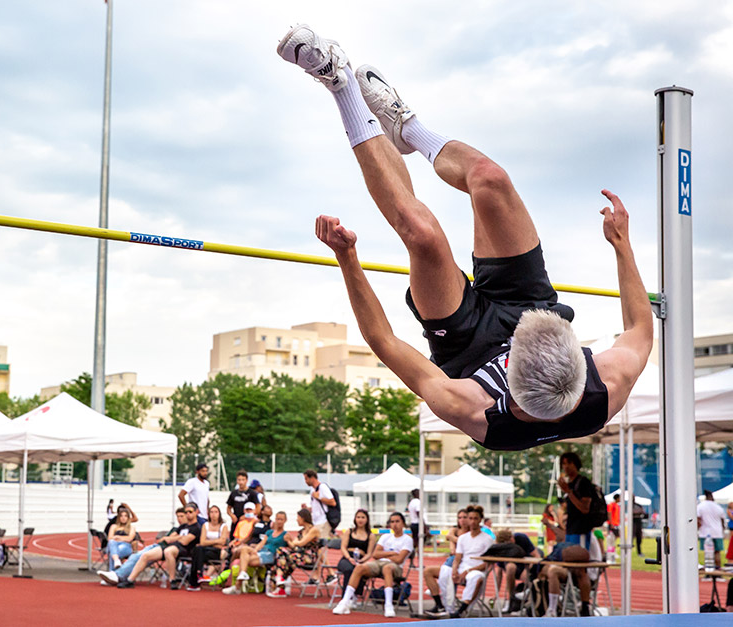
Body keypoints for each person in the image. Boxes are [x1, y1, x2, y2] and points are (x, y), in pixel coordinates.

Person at [278, 24, 653, 454]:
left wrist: (348, 258)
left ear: (510, 379)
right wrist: (622, 245)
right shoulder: (611, 383)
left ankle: (337, 81)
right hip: (526, 300)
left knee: (423, 236)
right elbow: (640, 327)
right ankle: (409, 131)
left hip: (464, 344)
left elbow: (383, 340)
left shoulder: (470, 408)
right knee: (490, 180)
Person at [333, 511, 412, 617]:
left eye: (397, 521)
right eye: (392, 522)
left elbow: (399, 559)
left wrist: (384, 554)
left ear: (403, 523)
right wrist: (392, 553)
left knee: (387, 568)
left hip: (395, 567)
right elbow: (375, 554)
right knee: (360, 567)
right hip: (378, 563)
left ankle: (388, 605)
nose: (395, 524)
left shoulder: (407, 539)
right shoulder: (385, 537)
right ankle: (345, 601)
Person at [108, 508, 199, 589]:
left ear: (196, 512)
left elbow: (184, 542)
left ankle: (172, 580)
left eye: (189, 512)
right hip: (168, 546)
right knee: (145, 555)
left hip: (182, 549)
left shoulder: (196, 527)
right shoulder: (182, 527)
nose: (186, 515)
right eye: (185, 513)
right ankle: (129, 580)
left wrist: (174, 538)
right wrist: (178, 537)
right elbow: (167, 539)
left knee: (168, 551)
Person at [439, 505, 494, 618]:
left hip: (477, 569)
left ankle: (463, 609)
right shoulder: (463, 538)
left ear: (480, 520)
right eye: (470, 518)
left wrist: (468, 571)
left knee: (475, 578)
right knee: (445, 572)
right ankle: (448, 607)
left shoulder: (487, 539)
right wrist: (454, 570)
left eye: (475, 519)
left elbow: (487, 564)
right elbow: (458, 558)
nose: (472, 521)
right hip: (463, 567)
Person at [224, 509, 288, 595]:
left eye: (281, 519)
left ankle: (237, 586)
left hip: (270, 555)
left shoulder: (286, 534)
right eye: (277, 519)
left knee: (244, 561)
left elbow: (293, 545)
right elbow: (261, 543)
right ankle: (242, 575)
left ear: (285, 521)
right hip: (262, 551)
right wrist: (255, 550)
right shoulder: (269, 532)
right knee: (244, 549)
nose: (279, 521)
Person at [423, 509, 469, 617]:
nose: (462, 520)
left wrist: (456, 541)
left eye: (465, 517)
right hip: (452, 562)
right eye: (460, 517)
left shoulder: (472, 534)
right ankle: (439, 605)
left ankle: (446, 602)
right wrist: (456, 543)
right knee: (428, 571)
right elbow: (452, 548)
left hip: (464, 565)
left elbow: (466, 546)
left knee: (449, 576)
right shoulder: (454, 530)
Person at [268, 508, 322, 599]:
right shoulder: (301, 531)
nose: (297, 520)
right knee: (281, 552)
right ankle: (280, 580)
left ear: (303, 518)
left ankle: (280, 583)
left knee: (283, 560)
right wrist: (288, 541)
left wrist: (292, 540)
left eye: (298, 518)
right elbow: (293, 546)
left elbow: (301, 543)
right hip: (298, 555)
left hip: (309, 557)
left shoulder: (313, 530)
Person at [494, 528, 541, 614]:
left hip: (528, 564)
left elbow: (536, 556)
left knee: (535, 567)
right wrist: (495, 594)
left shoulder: (521, 538)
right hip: (514, 569)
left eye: (511, 541)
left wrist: (528, 569)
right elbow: (499, 573)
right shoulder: (501, 549)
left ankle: (527, 598)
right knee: (510, 567)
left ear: (512, 537)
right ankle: (511, 598)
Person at [557, 452, 596, 549]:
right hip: (570, 529)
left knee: (578, 557)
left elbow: (585, 508)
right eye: (564, 463)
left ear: (576, 464)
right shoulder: (570, 484)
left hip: (580, 530)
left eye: (569, 463)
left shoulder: (583, 482)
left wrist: (569, 492)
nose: (566, 466)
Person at [336, 509, 377, 590]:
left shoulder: (371, 536)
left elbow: (369, 553)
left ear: (367, 519)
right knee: (349, 569)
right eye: (358, 517)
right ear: (355, 519)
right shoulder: (349, 531)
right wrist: (349, 558)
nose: (360, 520)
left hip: (360, 559)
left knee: (359, 569)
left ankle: (355, 595)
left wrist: (361, 561)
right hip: (347, 558)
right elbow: (343, 547)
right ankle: (346, 596)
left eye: (363, 517)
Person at [194, 505, 230, 583]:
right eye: (211, 512)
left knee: (200, 551)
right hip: (206, 550)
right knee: (198, 549)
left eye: (216, 512)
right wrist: (216, 542)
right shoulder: (205, 525)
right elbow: (202, 542)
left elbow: (223, 542)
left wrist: (208, 542)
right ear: (209, 514)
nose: (213, 514)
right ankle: (199, 574)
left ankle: (199, 574)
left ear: (219, 514)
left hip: (216, 551)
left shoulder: (223, 526)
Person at [697, 489, 728, 568]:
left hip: (705, 533)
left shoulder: (701, 506)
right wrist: (723, 531)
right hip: (717, 533)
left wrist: (698, 529)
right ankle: (718, 571)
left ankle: (709, 571)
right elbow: (722, 520)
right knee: (717, 553)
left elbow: (698, 519)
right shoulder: (718, 507)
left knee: (707, 554)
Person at [303, 469, 336, 538]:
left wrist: (319, 498)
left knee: (322, 543)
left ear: (312, 478)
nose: (305, 481)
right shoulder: (312, 490)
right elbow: (315, 507)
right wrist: (307, 509)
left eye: (306, 479)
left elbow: (333, 502)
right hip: (316, 522)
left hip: (323, 521)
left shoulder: (322, 487)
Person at [106, 505, 137, 570]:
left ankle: (112, 573)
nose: (123, 518)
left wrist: (117, 537)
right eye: (121, 516)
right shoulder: (114, 526)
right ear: (119, 517)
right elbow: (110, 538)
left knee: (113, 553)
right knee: (112, 544)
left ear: (128, 518)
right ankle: (116, 562)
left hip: (126, 546)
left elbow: (129, 539)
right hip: (113, 545)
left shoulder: (131, 528)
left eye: (125, 516)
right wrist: (124, 538)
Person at [407, 489, 423, 559]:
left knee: (414, 544)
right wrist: (423, 524)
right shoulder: (418, 502)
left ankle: (412, 561)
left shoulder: (411, 502)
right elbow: (418, 513)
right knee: (420, 544)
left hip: (413, 523)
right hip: (418, 524)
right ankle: (420, 561)